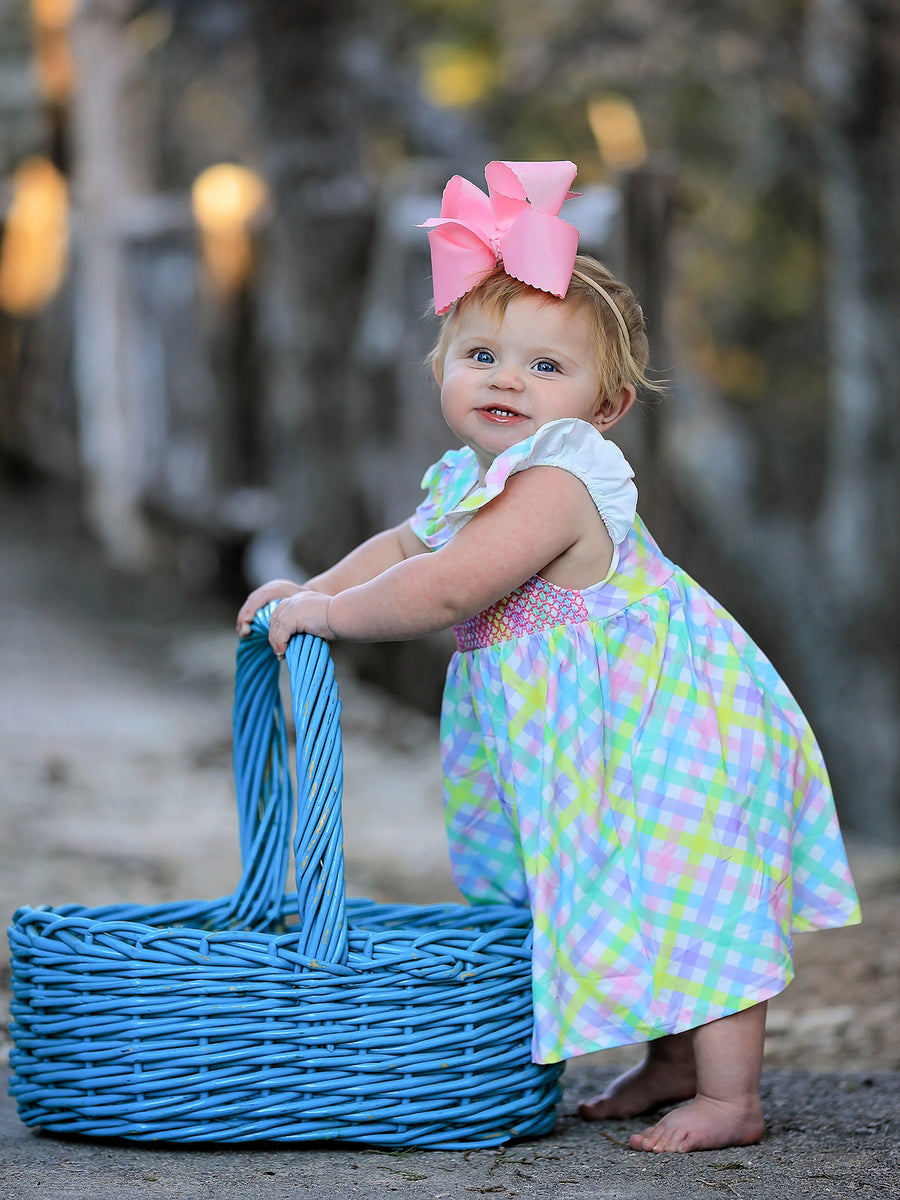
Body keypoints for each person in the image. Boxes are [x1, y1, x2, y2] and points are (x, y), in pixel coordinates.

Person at [236, 161, 860, 1154]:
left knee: (691, 893)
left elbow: (446, 587)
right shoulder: (464, 479)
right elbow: (406, 549)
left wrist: (328, 619)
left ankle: (732, 1100)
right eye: (480, 353)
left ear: (604, 406)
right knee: (617, 885)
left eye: (543, 367)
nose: (506, 380)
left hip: (674, 729)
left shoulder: (562, 478)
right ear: (440, 367)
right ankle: (669, 1061)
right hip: (589, 739)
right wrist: (315, 585)